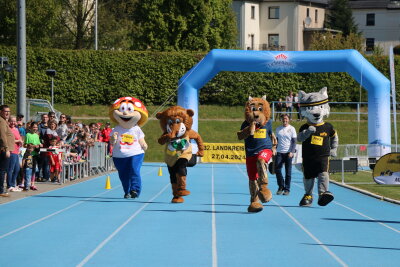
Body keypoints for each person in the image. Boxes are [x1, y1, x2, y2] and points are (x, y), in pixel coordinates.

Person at [275, 114, 297, 195]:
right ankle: (281, 186)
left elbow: (294, 142)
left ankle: (287, 189)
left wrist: (291, 151)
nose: (285, 120)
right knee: (277, 170)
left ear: (289, 120)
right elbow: (276, 141)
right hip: (279, 152)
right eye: (283, 119)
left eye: (286, 119)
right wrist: (274, 149)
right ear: (281, 120)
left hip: (288, 153)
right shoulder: (278, 129)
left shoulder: (292, 129)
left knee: (288, 172)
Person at [0, 105, 15, 197]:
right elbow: (2, 136)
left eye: (9, 112)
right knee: (2, 170)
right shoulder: (1, 121)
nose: (7, 113)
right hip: (4, 149)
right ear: (1, 111)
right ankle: (1, 190)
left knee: (2, 170)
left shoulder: (4, 121)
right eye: (6, 111)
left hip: (6, 149)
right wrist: (6, 148)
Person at [6, 116, 23, 192]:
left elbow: (19, 138)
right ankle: (9, 185)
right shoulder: (8, 129)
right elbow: (9, 140)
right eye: (11, 121)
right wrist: (18, 140)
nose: (13, 123)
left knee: (17, 169)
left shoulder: (16, 129)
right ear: (8, 121)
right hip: (11, 151)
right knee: (11, 169)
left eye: (14, 121)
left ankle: (13, 184)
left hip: (16, 151)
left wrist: (20, 142)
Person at [24, 122, 42, 190]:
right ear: (31, 127)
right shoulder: (28, 135)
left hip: (35, 154)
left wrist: (38, 145)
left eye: (36, 127)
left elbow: (38, 144)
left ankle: (32, 183)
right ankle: (26, 183)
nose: (35, 128)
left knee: (34, 169)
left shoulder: (37, 135)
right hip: (29, 155)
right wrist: (31, 146)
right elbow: (25, 145)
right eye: (34, 127)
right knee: (28, 169)